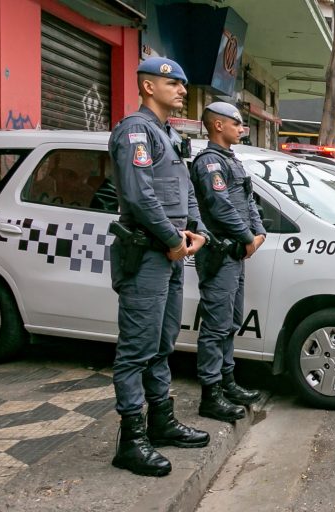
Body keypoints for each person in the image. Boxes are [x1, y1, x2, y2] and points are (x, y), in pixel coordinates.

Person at [107, 57, 211, 478]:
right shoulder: (134, 131)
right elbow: (137, 194)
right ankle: (131, 441)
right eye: (174, 83)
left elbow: (183, 190)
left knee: (163, 341)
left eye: (184, 83)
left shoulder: (169, 136)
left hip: (171, 255)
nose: (183, 90)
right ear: (149, 87)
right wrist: (172, 240)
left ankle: (160, 421)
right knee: (136, 348)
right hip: (148, 253)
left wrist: (196, 231)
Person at [190, 102, 267, 423]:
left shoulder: (231, 161)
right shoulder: (209, 163)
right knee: (216, 325)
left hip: (236, 254)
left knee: (231, 321)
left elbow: (248, 199)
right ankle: (211, 394)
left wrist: (258, 232)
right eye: (237, 123)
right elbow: (220, 207)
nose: (241, 127)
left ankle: (227, 383)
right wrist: (248, 238)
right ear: (218, 126)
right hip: (220, 254)